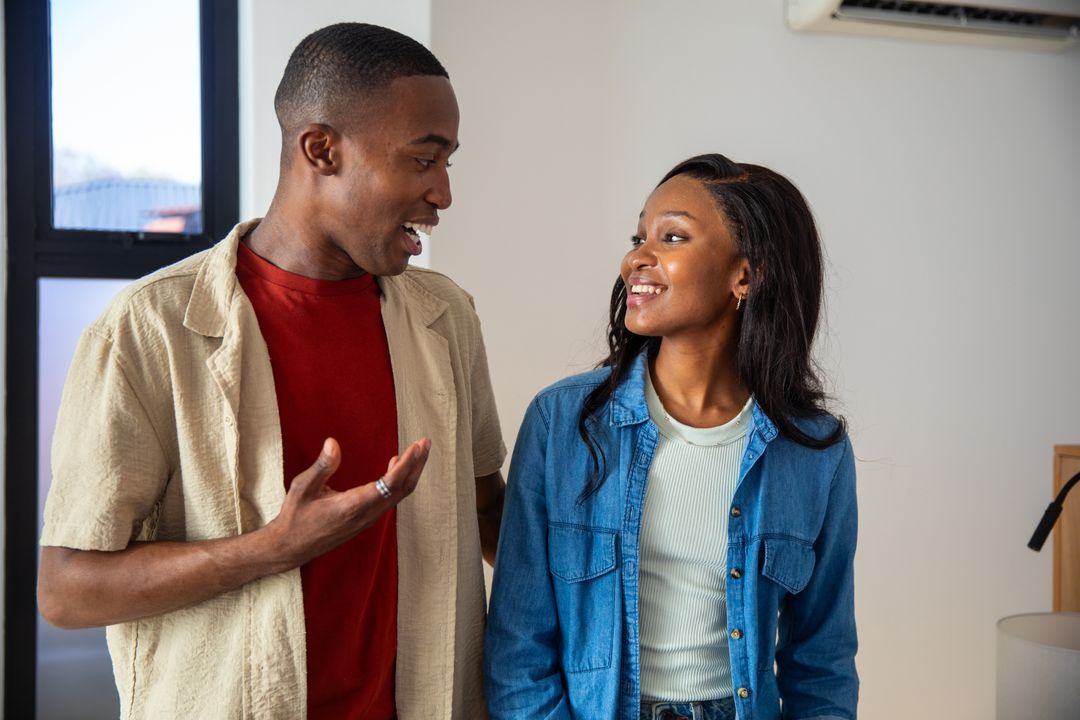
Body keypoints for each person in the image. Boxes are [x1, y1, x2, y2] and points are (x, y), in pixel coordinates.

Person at [37, 23, 506, 720]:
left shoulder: (446, 317)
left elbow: (486, 509)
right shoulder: (149, 329)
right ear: (321, 149)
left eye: (448, 165)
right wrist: (268, 550)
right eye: (421, 160)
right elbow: (68, 590)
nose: (442, 193)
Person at [484, 154, 858, 720]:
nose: (636, 257)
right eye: (639, 237)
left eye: (673, 236)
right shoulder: (563, 425)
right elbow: (519, 648)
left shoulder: (814, 450)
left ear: (746, 274)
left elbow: (822, 661)